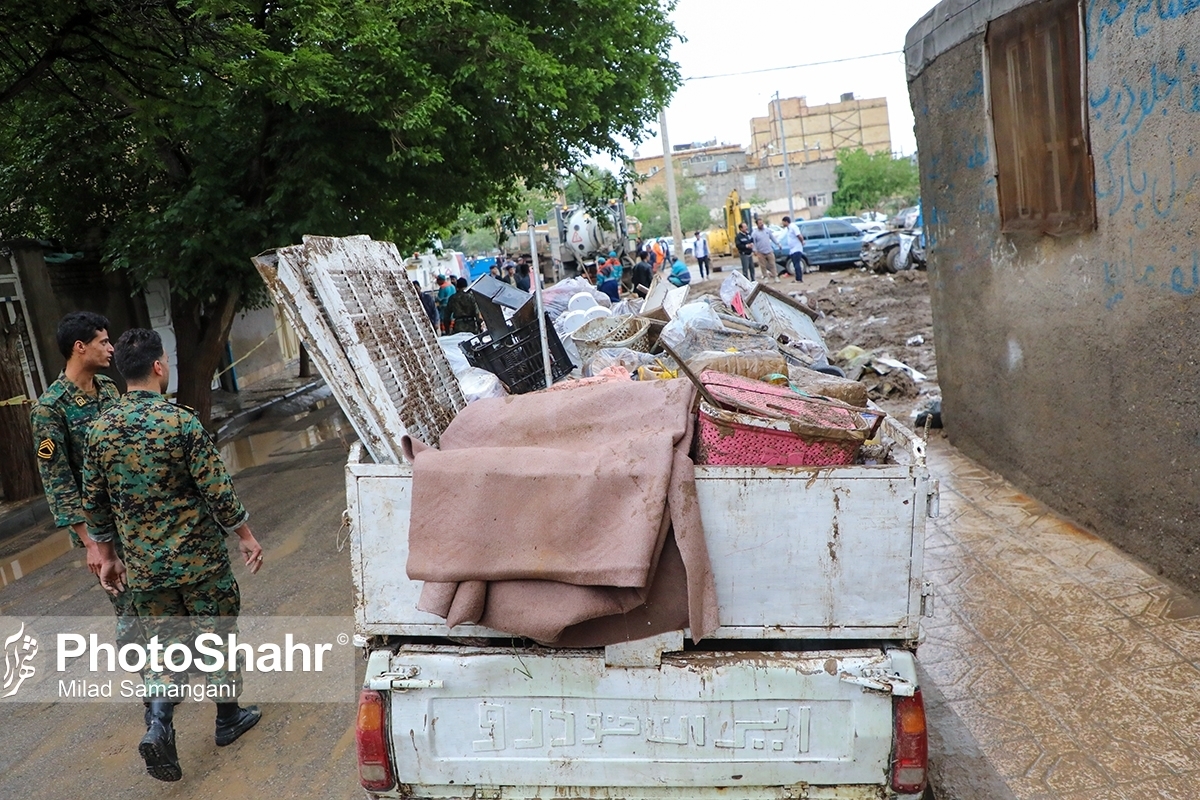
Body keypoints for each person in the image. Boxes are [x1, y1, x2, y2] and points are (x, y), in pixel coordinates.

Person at [83, 329, 265, 783]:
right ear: (159, 367)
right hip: (200, 562)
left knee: (166, 649)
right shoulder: (181, 422)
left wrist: (106, 555)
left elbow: (96, 503)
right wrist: (245, 534)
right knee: (215, 638)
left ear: (124, 372)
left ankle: (160, 722)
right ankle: (228, 718)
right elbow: (217, 489)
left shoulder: (99, 431)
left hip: (145, 569)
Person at [30, 312, 147, 709]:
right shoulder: (50, 409)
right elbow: (58, 482)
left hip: (135, 514)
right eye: (103, 341)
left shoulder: (110, 390)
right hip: (101, 527)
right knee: (127, 603)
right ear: (80, 347)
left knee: (152, 592)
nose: (111, 348)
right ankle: (153, 688)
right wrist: (92, 544)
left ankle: (167, 672)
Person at [750, 218, 779, 283]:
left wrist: (778, 244)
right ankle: (765, 277)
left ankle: (775, 276)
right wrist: (754, 250)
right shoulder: (754, 233)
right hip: (760, 252)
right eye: (760, 223)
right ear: (757, 224)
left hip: (769, 250)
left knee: (772, 264)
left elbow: (772, 238)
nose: (761, 224)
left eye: (762, 223)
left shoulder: (767, 231)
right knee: (763, 266)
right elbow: (753, 243)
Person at [781, 216, 807, 282]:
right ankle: (797, 278)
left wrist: (802, 242)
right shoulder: (789, 228)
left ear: (786, 221)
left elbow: (799, 235)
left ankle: (799, 278)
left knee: (797, 264)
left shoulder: (793, 227)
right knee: (795, 264)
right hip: (792, 249)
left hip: (797, 249)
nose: (783, 224)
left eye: (783, 222)